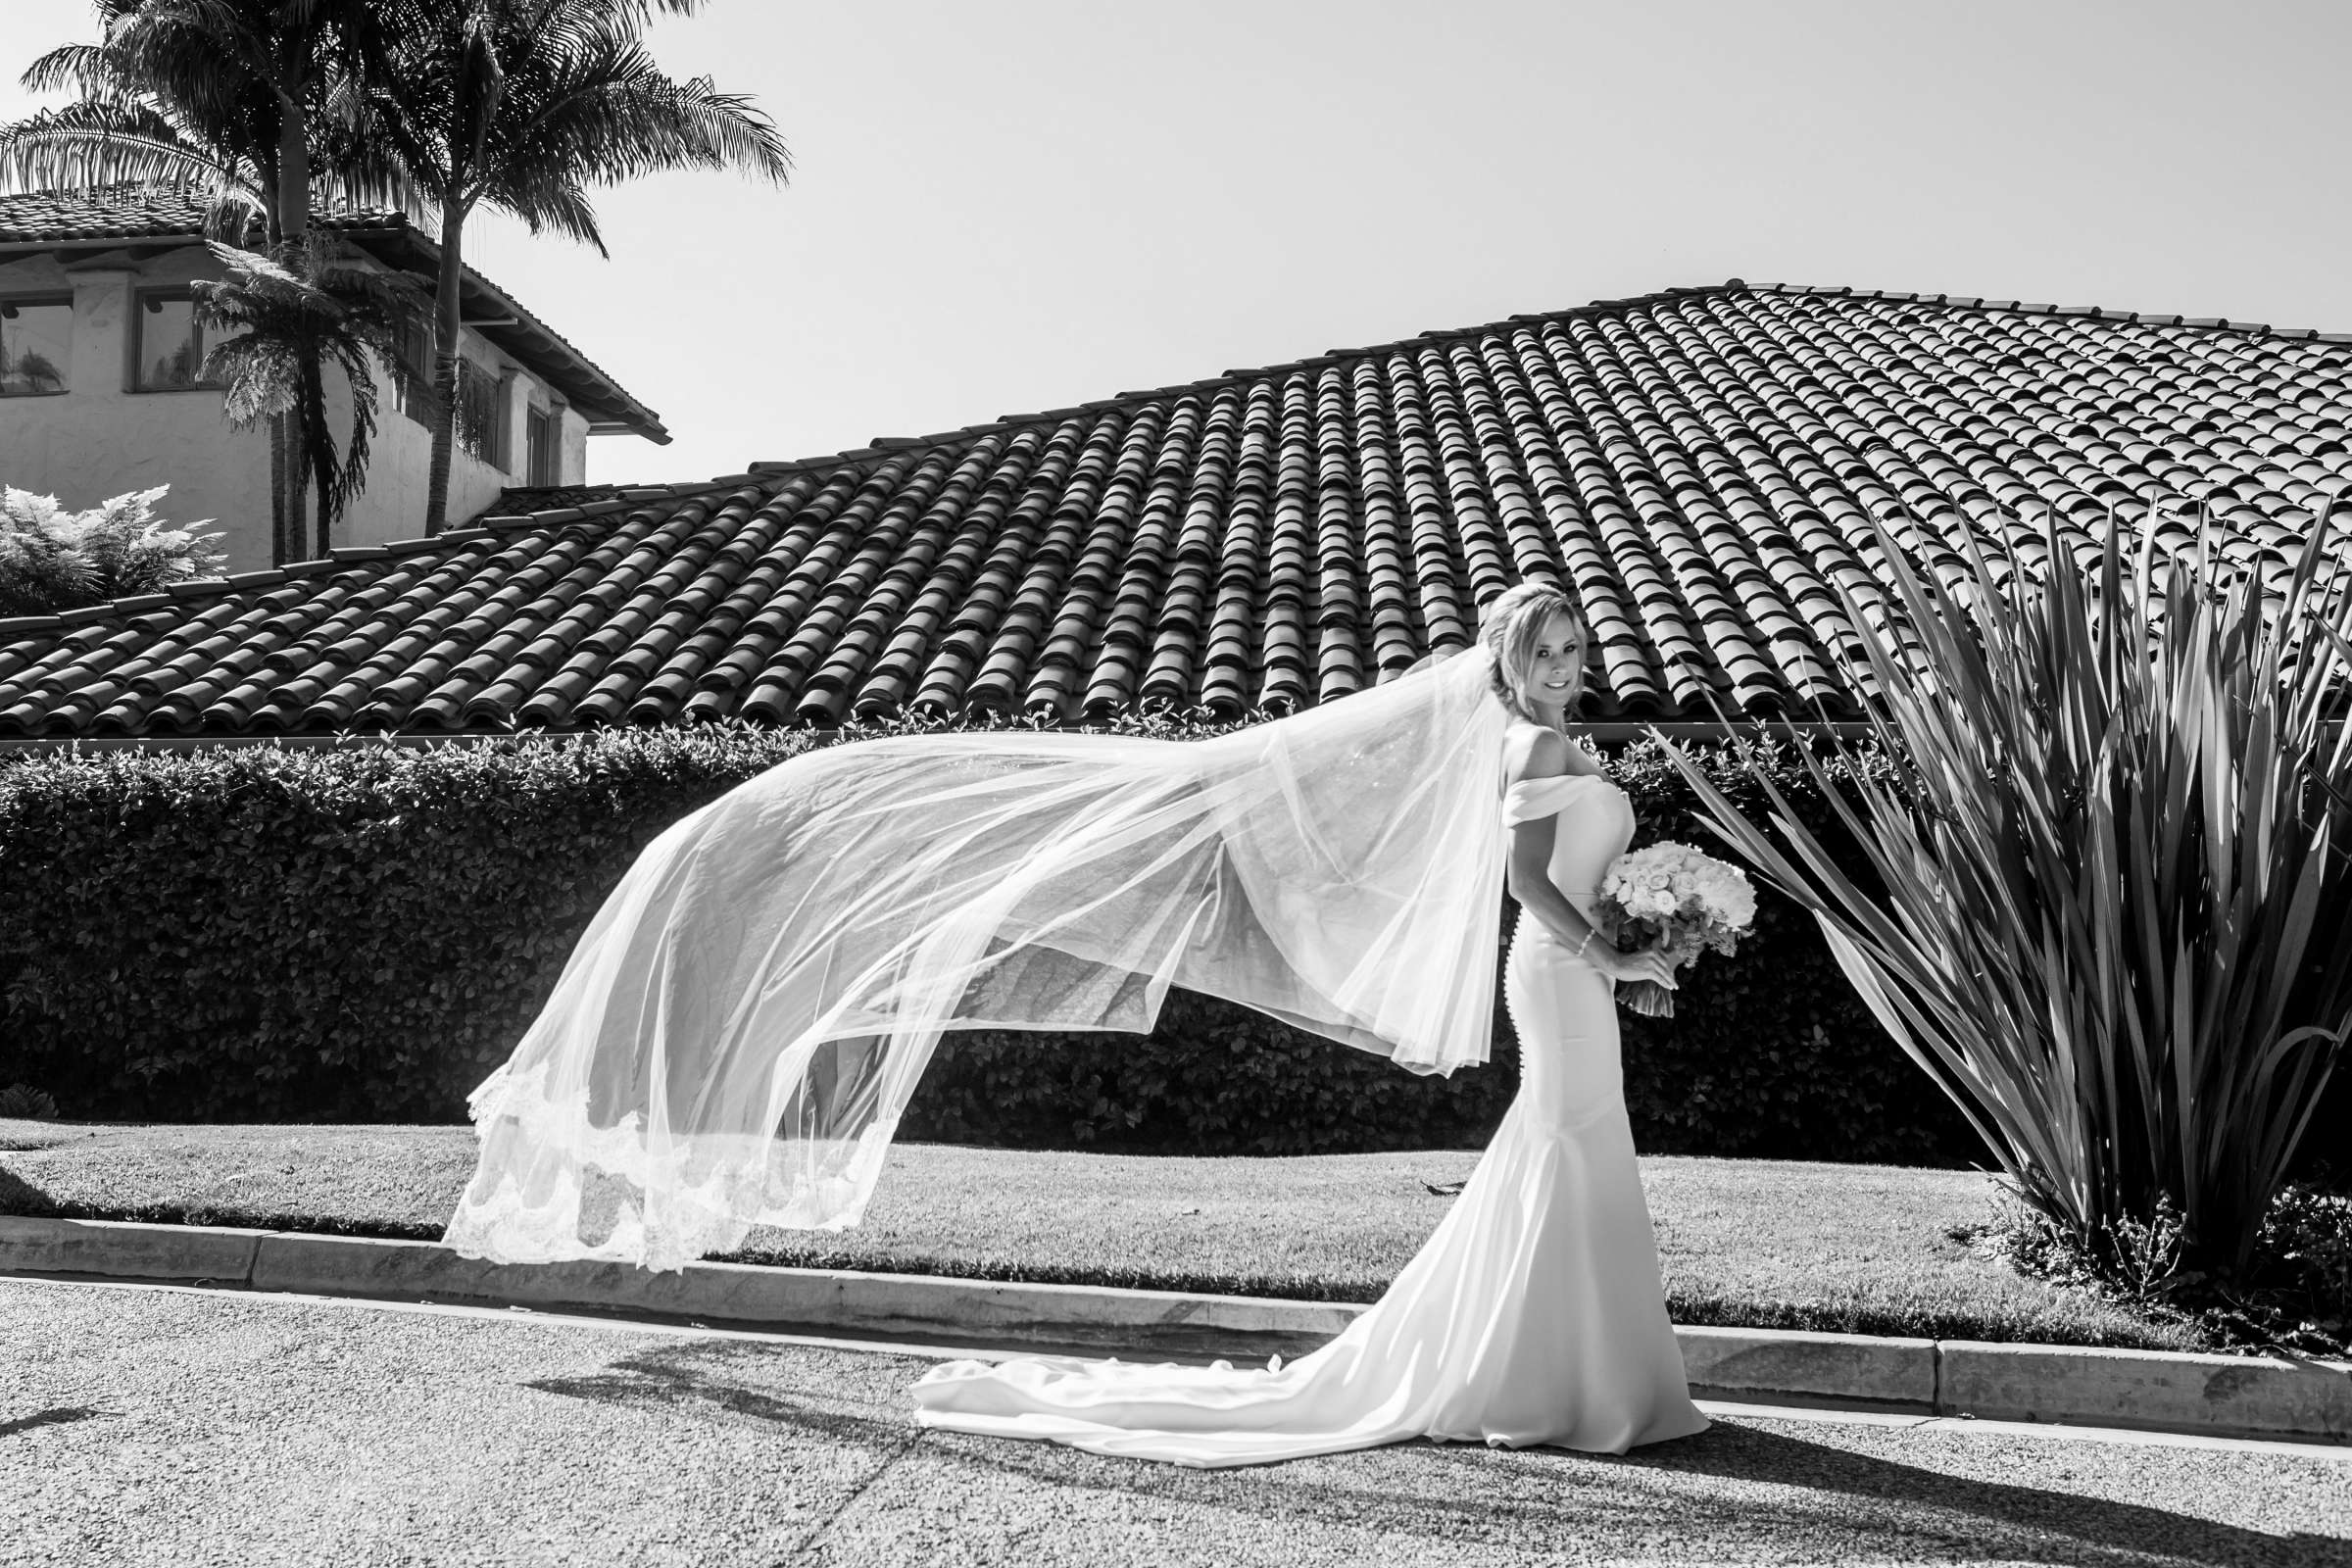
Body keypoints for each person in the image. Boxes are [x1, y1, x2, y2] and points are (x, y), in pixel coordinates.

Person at [906, 581, 1710, 1465]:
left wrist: (1646, 934)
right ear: (1510, 660)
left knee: (1567, 1144)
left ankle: (1555, 1367)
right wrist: (1612, 953)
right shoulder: (1538, 745)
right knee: (1569, 1143)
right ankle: (1552, 1376)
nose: (1562, 667)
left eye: (1570, 648)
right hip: (1559, 975)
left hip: (1576, 973)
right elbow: (1527, 885)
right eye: (1543, 652)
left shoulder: (1550, 742)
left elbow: (1573, 871)